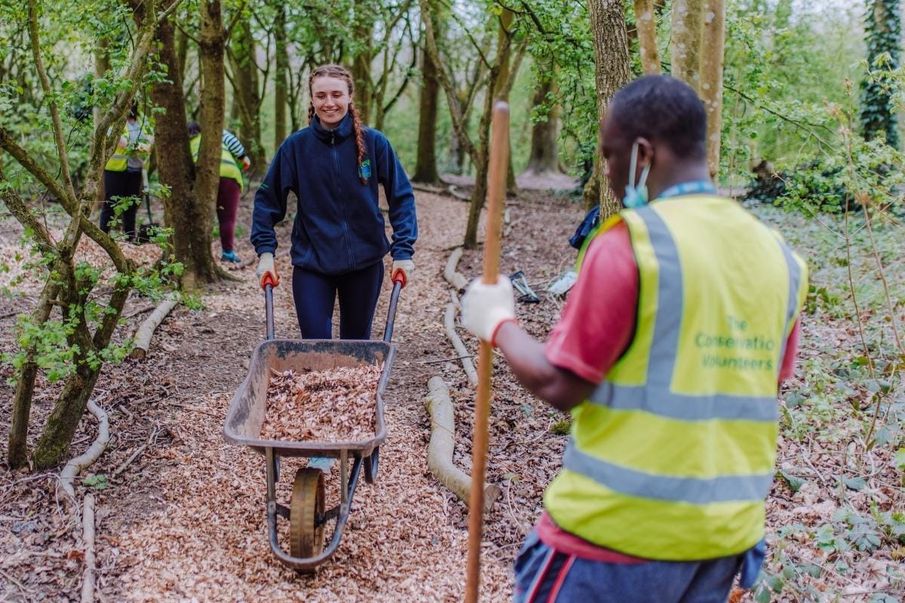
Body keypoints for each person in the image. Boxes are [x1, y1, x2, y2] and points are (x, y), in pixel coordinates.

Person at [461, 75, 808, 602]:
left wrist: (497, 322)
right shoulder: (780, 257)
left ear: (642, 154)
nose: (606, 170)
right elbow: (755, 384)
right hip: (722, 543)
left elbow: (560, 383)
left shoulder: (632, 243)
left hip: (613, 539)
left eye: (609, 155)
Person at [251, 64, 417, 339]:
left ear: (350, 97)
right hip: (312, 263)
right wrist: (266, 254)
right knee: (315, 346)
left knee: (355, 346)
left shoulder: (375, 143)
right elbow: (266, 202)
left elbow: (401, 197)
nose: (329, 103)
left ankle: (358, 385)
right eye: (321, 95)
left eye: (337, 95)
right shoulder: (295, 148)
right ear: (312, 99)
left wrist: (403, 251)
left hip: (364, 262)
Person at [187, 122, 252, 263]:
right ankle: (228, 253)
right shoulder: (215, 133)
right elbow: (235, 145)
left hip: (205, 176)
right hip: (229, 174)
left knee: (202, 216)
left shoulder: (185, 145)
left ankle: (199, 252)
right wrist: (242, 157)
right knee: (227, 218)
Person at [100, 103, 153, 241]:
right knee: (110, 204)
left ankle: (130, 237)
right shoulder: (116, 122)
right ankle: (102, 236)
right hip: (115, 169)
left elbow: (150, 140)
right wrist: (141, 147)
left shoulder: (142, 122)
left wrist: (143, 147)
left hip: (135, 169)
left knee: (131, 204)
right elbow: (122, 143)